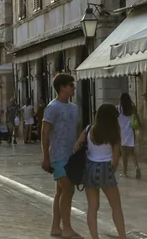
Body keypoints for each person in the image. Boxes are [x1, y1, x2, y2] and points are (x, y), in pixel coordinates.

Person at [74, 103, 126, 239]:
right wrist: (110, 172)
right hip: (105, 168)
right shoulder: (114, 134)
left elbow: (76, 147)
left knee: (92, 207)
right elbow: (115, 160)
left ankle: (95, 237)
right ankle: (122, 237)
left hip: (90, 168)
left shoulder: (88, 129)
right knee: (116, 207)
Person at [41, 73, 81, 239]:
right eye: (71, 85)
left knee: (60, 191)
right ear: (62, 87)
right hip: (58, 155)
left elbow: (76, 131)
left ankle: (55, 227)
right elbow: (45, 132)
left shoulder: (74, 108)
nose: (74, 88)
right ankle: (67, 228)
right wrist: (45, 157)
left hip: (71, 155)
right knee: (68, 189)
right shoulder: (52, 107)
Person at [118, 92, 141, 179]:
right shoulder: (132, 108)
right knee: (132, 152)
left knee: (124, 153)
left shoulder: (118, 108)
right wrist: (140, 126)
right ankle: (136, 167)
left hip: (121, 132)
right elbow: (137, 118)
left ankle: (124, 172)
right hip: (130, 132)